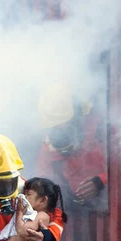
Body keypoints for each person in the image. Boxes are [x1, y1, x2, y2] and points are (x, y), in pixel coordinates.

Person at [37, 82, 108, 210]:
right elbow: (41, 190)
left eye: (62, 126)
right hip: (78, 218)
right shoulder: (48, 151)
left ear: (76, 118)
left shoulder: (101, 131)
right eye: (54, 129)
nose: (57, 134)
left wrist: (101, 182)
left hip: (110, 206)